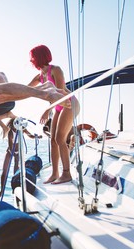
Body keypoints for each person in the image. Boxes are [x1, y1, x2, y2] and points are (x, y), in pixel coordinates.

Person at [28, 45, 80, 184]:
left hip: (69, 104)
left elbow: (61, 93)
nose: (31, 60)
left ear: (38, 57)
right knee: (52, 140)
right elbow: (26, 88)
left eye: (32, 57)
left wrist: (47, 110)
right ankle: (55, 173)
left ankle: (67, 173)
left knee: (59, 139)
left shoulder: (55, 70)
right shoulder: (40, 76)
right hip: (57, 107)